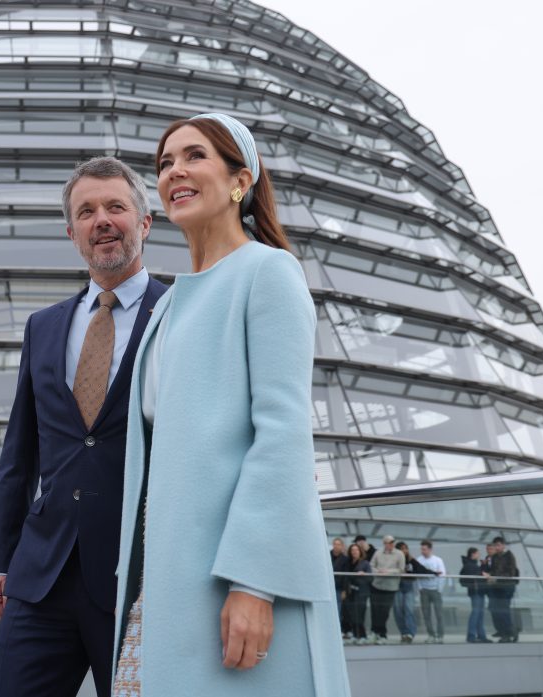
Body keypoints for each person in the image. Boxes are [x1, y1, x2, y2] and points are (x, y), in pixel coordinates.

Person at [112, 113, 350, 696]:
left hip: (234, 577)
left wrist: (255, 582)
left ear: (241, 180)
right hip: (165, 576)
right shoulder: (168, 306)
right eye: (165, 163)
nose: (174, 172)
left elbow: (283, 433)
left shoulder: (268, 272)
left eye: (194, 156)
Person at [0, 156, 167, 697]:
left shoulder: (179, 312)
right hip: (41, 576)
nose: (101, 220)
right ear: (72, 233)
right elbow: (19, 456)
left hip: (138, 578)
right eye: (87, 212)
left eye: (115, 207)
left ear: (145, 222)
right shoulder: (43, 327)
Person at [369, 534, 405, 645]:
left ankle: (382, 633)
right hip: (377, 585)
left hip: (391, 587)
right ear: (384, 543)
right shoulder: (378, 553)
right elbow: (371, 565)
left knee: (384, 611)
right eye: (388, 542)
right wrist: (378, 571)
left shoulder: (399, 554)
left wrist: (388, 572)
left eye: (392, 542)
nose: (391, 544)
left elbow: (401, 569)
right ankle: (375, 632)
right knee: (375, 610)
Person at [485, 536, 519, 642]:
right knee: (496, 609)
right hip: (497, 587)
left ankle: (509, 633)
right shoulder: (494, 557)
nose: (497, 547)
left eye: (498, 545)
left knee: (504, 610)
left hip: (507, 587)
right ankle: (503, 631)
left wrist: (496, 577)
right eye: (495, 545)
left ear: (503, 545)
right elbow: (493, 570)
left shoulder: (509, 556)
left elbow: (511, 573)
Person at [393, 541, 426, 644]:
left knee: (409, 610)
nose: (404, 550)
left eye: (405, 548)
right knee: (398, 611)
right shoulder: (394, 560)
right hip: (397, 587)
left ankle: (410, 633)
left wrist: (433, 572)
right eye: (402, 548)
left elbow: (422, 569)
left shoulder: (411, 560)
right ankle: (404, 632)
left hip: (409, 587)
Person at [417, 540, 446, 643]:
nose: (422, 551)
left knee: (439, 613)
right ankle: (431, 635)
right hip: (424, 591)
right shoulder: (419, 560)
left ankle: (440, 635)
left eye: (424, 549)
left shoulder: (438, 560)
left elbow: (442, 575)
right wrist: (420, 588)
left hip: (435, 590)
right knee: (426, 614)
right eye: (422, 549)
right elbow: (417, 575)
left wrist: (439, 589)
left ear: (430, 549)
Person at [459, 547, 489, 643]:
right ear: (473, 554)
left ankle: (481, 635)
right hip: (475, 591)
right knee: (476, 613)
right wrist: (482, 574)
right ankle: (471, 635)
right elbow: (474, 576)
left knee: (480, 614)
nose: (478, 555)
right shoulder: (469, 565)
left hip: (479, 591)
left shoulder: (472, 564)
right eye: (477, 553)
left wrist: (483, 568)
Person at [344, 543, 372, 645]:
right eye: (352, 550)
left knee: (359, 615)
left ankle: (362, 635)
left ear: (360, 552)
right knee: (351, 615)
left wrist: (364, 574)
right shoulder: (348, 563)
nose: (354, 552)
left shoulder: (365, 563)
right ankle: (355, 635)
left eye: (356, 550)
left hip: (361, 592)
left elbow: (370, 577)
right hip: (350, 592)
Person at [330, 538, 350, 628]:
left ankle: (336, 628)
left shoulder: (345, 559)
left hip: (338, 588)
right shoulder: (327, 555)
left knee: (337, 609)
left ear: (342, 546)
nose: (336, 546)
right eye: (335, 544)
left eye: (338, 544)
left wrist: (344, 590)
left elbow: (346, 576)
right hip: (327, 587)